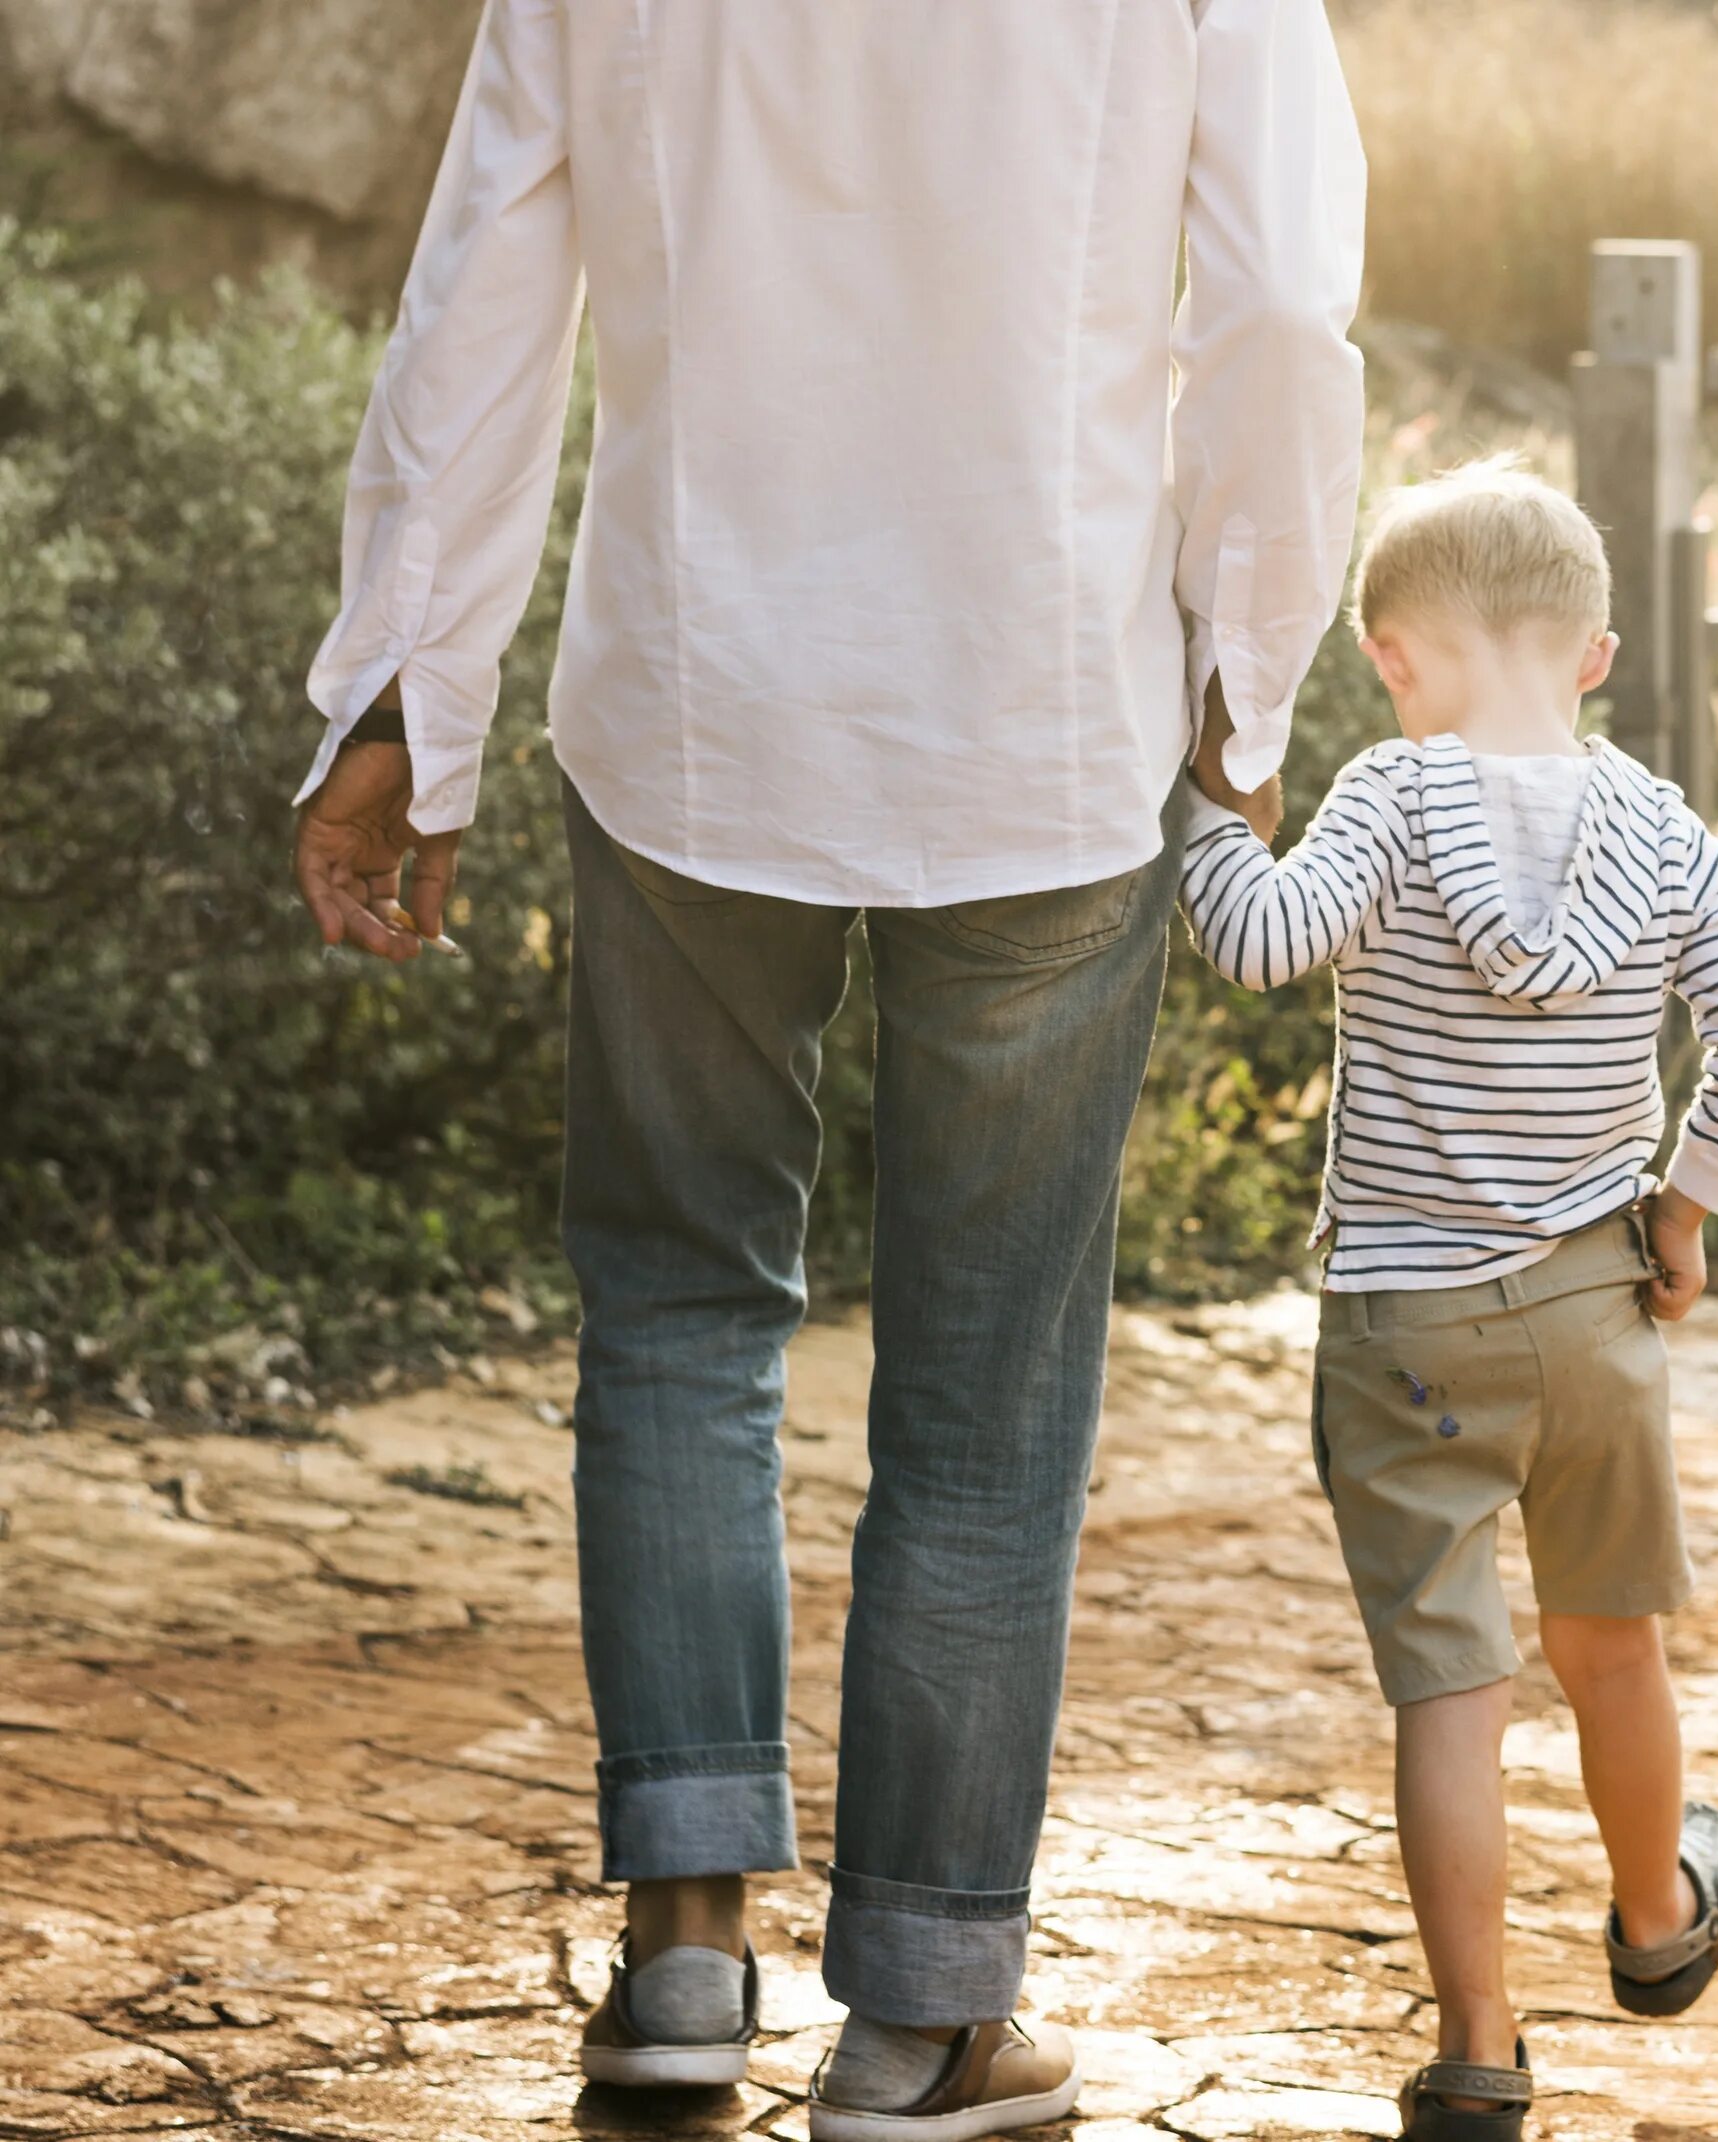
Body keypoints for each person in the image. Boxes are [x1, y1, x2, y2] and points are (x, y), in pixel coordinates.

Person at [287, 1, 1365, 2132]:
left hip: (699, 710)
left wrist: (411, 696)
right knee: (991, 1391)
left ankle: (685, 1961)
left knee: (678, 1317)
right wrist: (1245, 673)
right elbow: (1277, 315)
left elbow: (484, 288)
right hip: (1045, 720)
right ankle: (925, 2015)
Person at [1176, 460, 1718, 2139]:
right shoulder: (1661, 829)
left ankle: (1477, 2046)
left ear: (1391, 656)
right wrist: (1687, 1204)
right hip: (1598, 1311)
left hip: (1406, 1332)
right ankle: (1662, 1919)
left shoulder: (1390, 799)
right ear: (1595, 653)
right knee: (1615, 1646)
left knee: (1452, 1692)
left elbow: (1259, 940)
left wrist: (1202, 808)